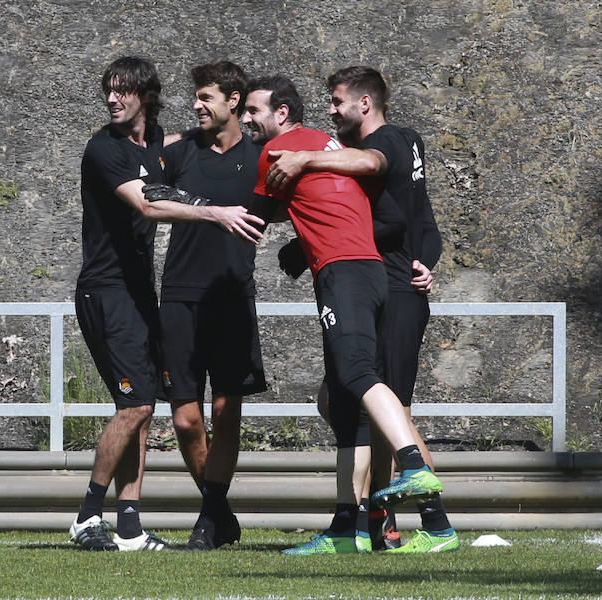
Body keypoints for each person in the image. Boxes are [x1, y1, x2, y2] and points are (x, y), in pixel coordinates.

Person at [240, 75, 444, 555]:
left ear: (366, 103)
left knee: (385, 402)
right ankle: (353, 523)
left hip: (385, 283)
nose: (330, 111)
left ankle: (430, 522)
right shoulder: (339, 147)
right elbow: (417, 217)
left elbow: (396, 211)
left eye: (338, 102)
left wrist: (420, 262)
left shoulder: (383, 142)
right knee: (338, 399)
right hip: (375, 274)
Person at [69, 56, 264, 552]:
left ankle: (130, 524)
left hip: (138, 294)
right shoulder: (104, 149)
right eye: (107, 91)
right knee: (137, 404)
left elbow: (205, 143)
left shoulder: (157, 144)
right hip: (105, 291)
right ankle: (88, 516)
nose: (112, 99)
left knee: (140, 406)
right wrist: (214, 212)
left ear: (146, 96)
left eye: (123, 91)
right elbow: (150, 204)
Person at [153, 61, 267, 550]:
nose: (197, 105)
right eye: (195, 98)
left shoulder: (262, 158)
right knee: (184, 418)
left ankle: (207, 520)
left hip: (231, 298)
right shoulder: (180, 153)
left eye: (206, 98)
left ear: (234, 99)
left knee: (226, 410)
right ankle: (219, 510)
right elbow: (146, 185)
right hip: (178, 295)